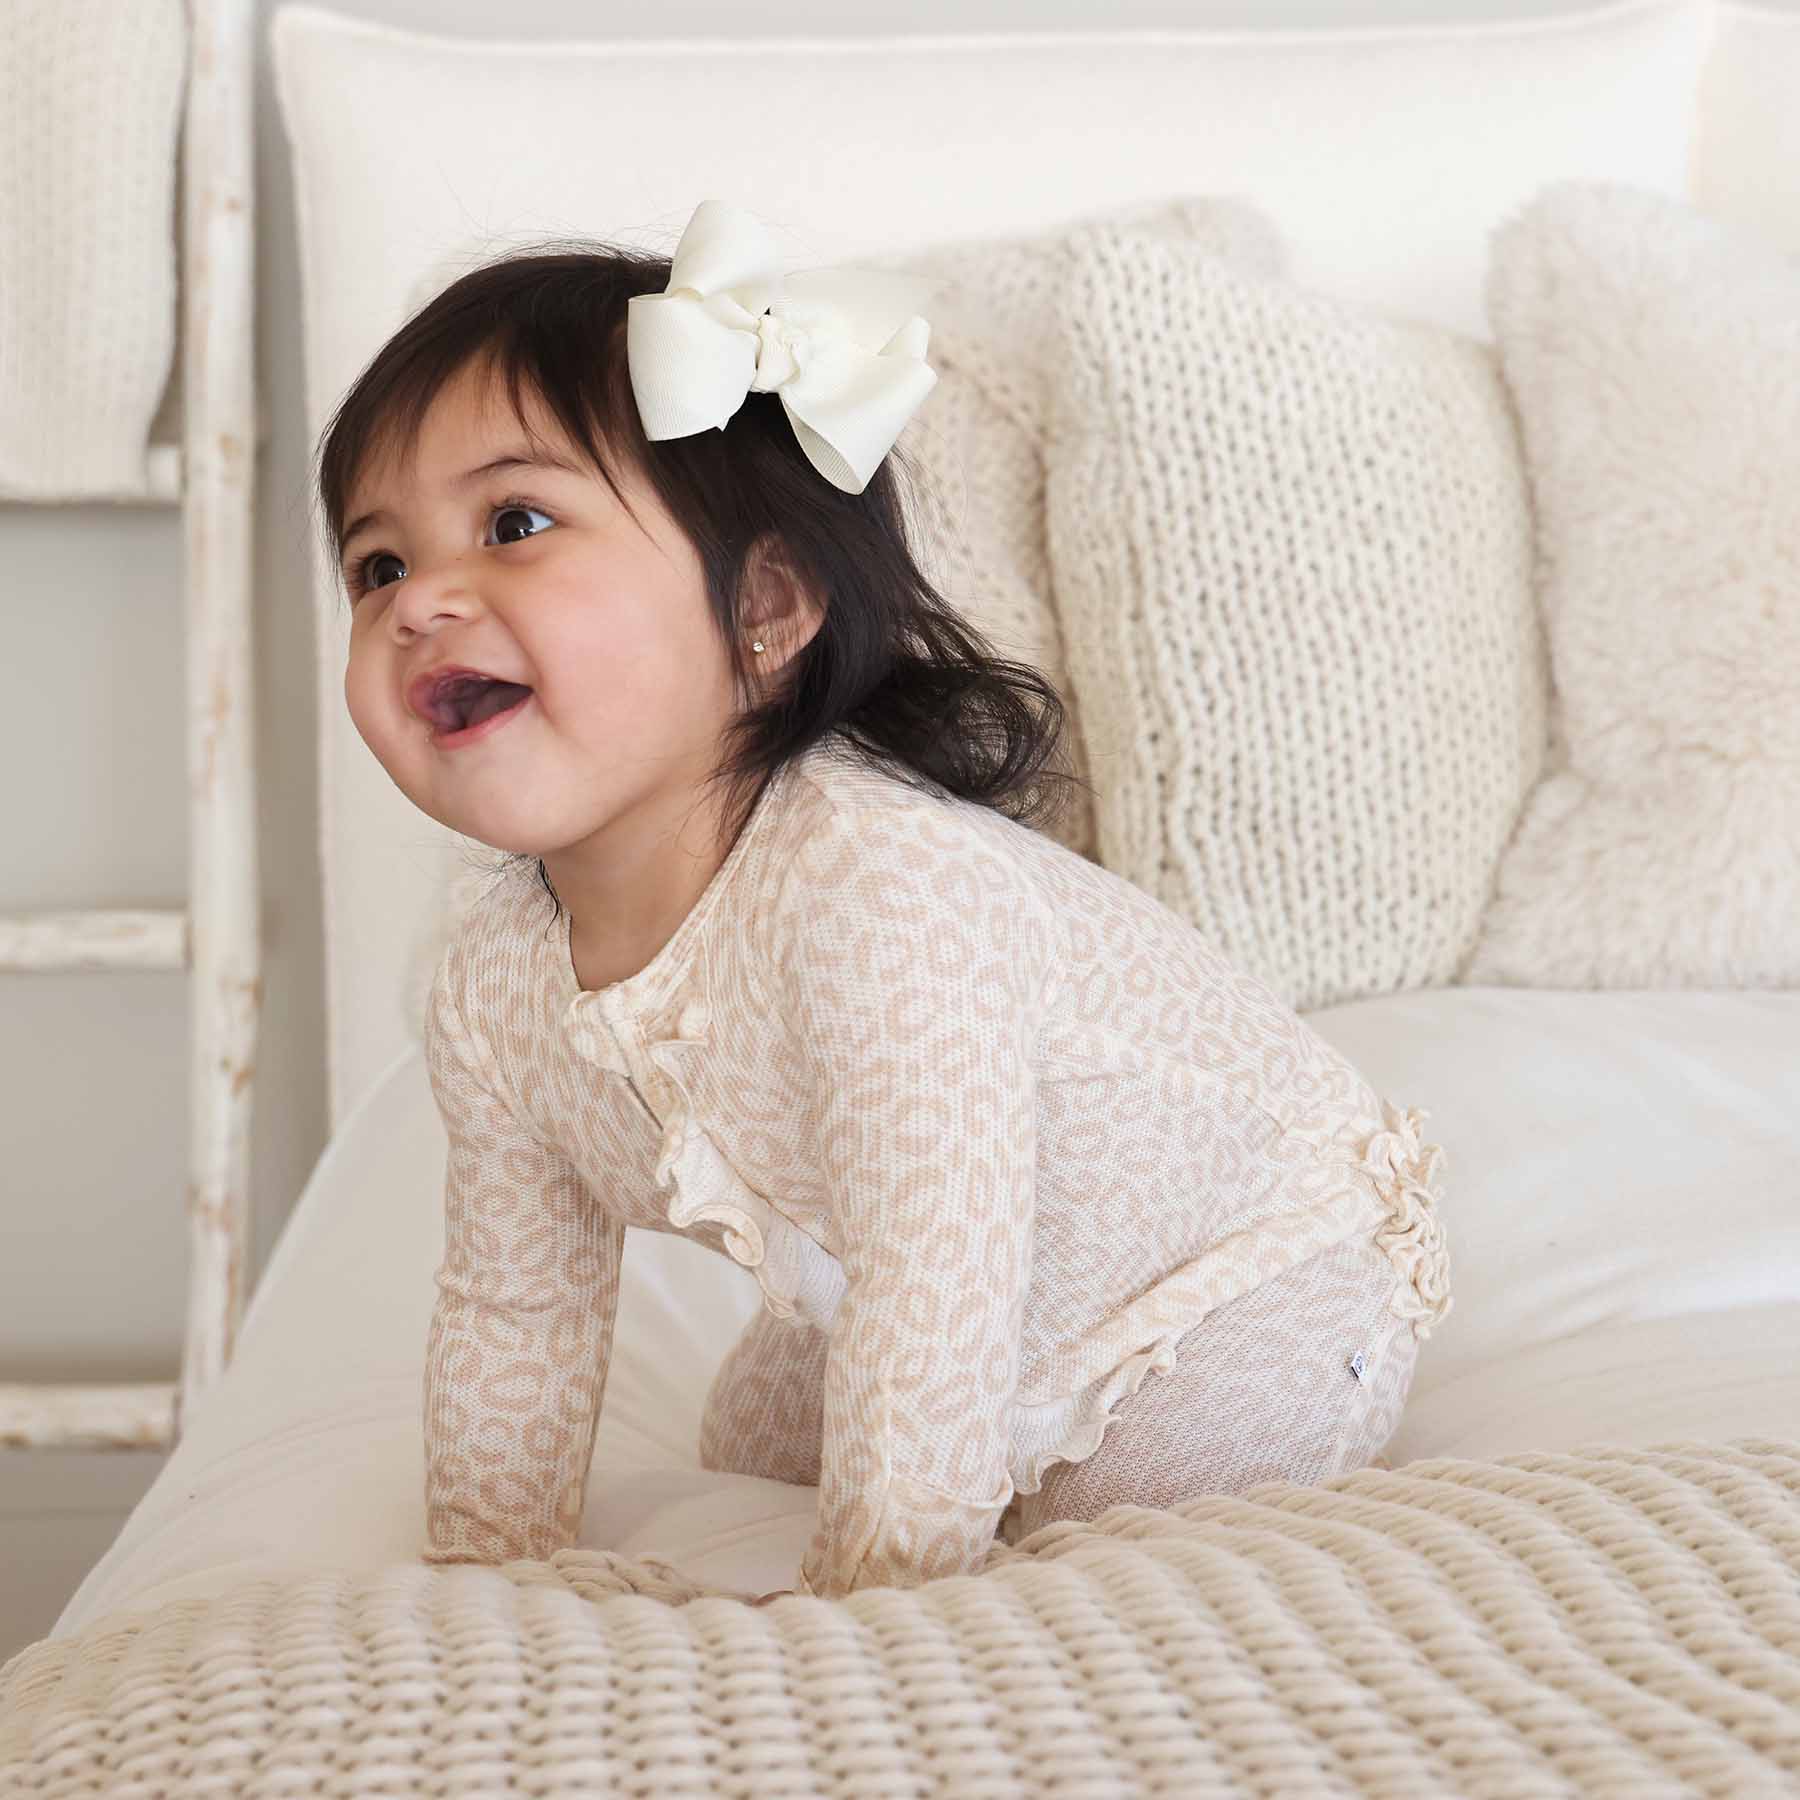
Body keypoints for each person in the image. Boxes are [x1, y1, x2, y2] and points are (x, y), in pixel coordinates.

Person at [316, 198, 1452, 1603]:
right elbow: (517, 1304)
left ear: (764, 612)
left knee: (1104, 1545)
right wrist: (479, 1577)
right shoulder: (492, 981)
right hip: (935, 1258)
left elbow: (935, 1272)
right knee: (749, 1446)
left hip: (1240, 1268)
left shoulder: (876, 892)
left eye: (514, 522)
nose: (423, 600)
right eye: (377, 564)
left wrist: (871, 1607)